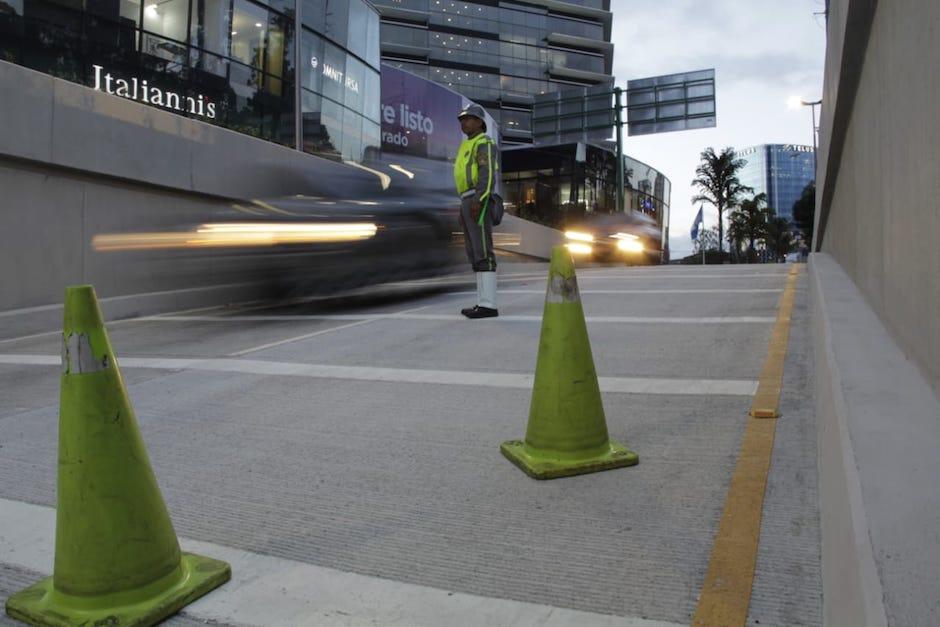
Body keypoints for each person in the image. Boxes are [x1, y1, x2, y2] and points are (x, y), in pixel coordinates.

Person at [454, 104, 499, 319]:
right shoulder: (467, 144)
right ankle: (482, 302)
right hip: (467, 198)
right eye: (462, 120)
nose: (464, 122)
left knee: (483, 251)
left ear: (480, 122)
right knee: (474, 252)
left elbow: (486, 174)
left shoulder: (484, 143)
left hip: (477, 198)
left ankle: (489, 305)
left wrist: (479, 199)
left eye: (468, 119)